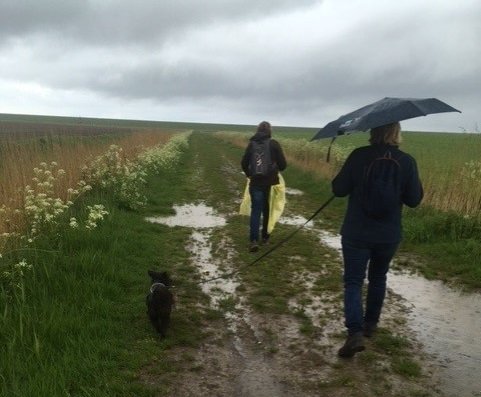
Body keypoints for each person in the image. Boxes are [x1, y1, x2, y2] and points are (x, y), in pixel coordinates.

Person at [331, 122, 423, 358]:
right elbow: (414, 200)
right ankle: (370, 325)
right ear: (396, 133)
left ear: (373, 131)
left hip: (356, 232)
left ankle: (355, 333)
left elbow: (339, 189)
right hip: (388, 235)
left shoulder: (358, 156)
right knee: (378, 277)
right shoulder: (407, 161)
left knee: (353, 281)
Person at [241, 121, 287, 252]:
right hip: (271, 184)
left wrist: (250, 174)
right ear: (269, 131)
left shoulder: (252, 144)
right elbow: (283, 165)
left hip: (256, 183)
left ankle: (253, 241)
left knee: (256, 211)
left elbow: (244, 163)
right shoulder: (274, 144)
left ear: (258, 130)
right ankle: (265, 238)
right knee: (268, 210)